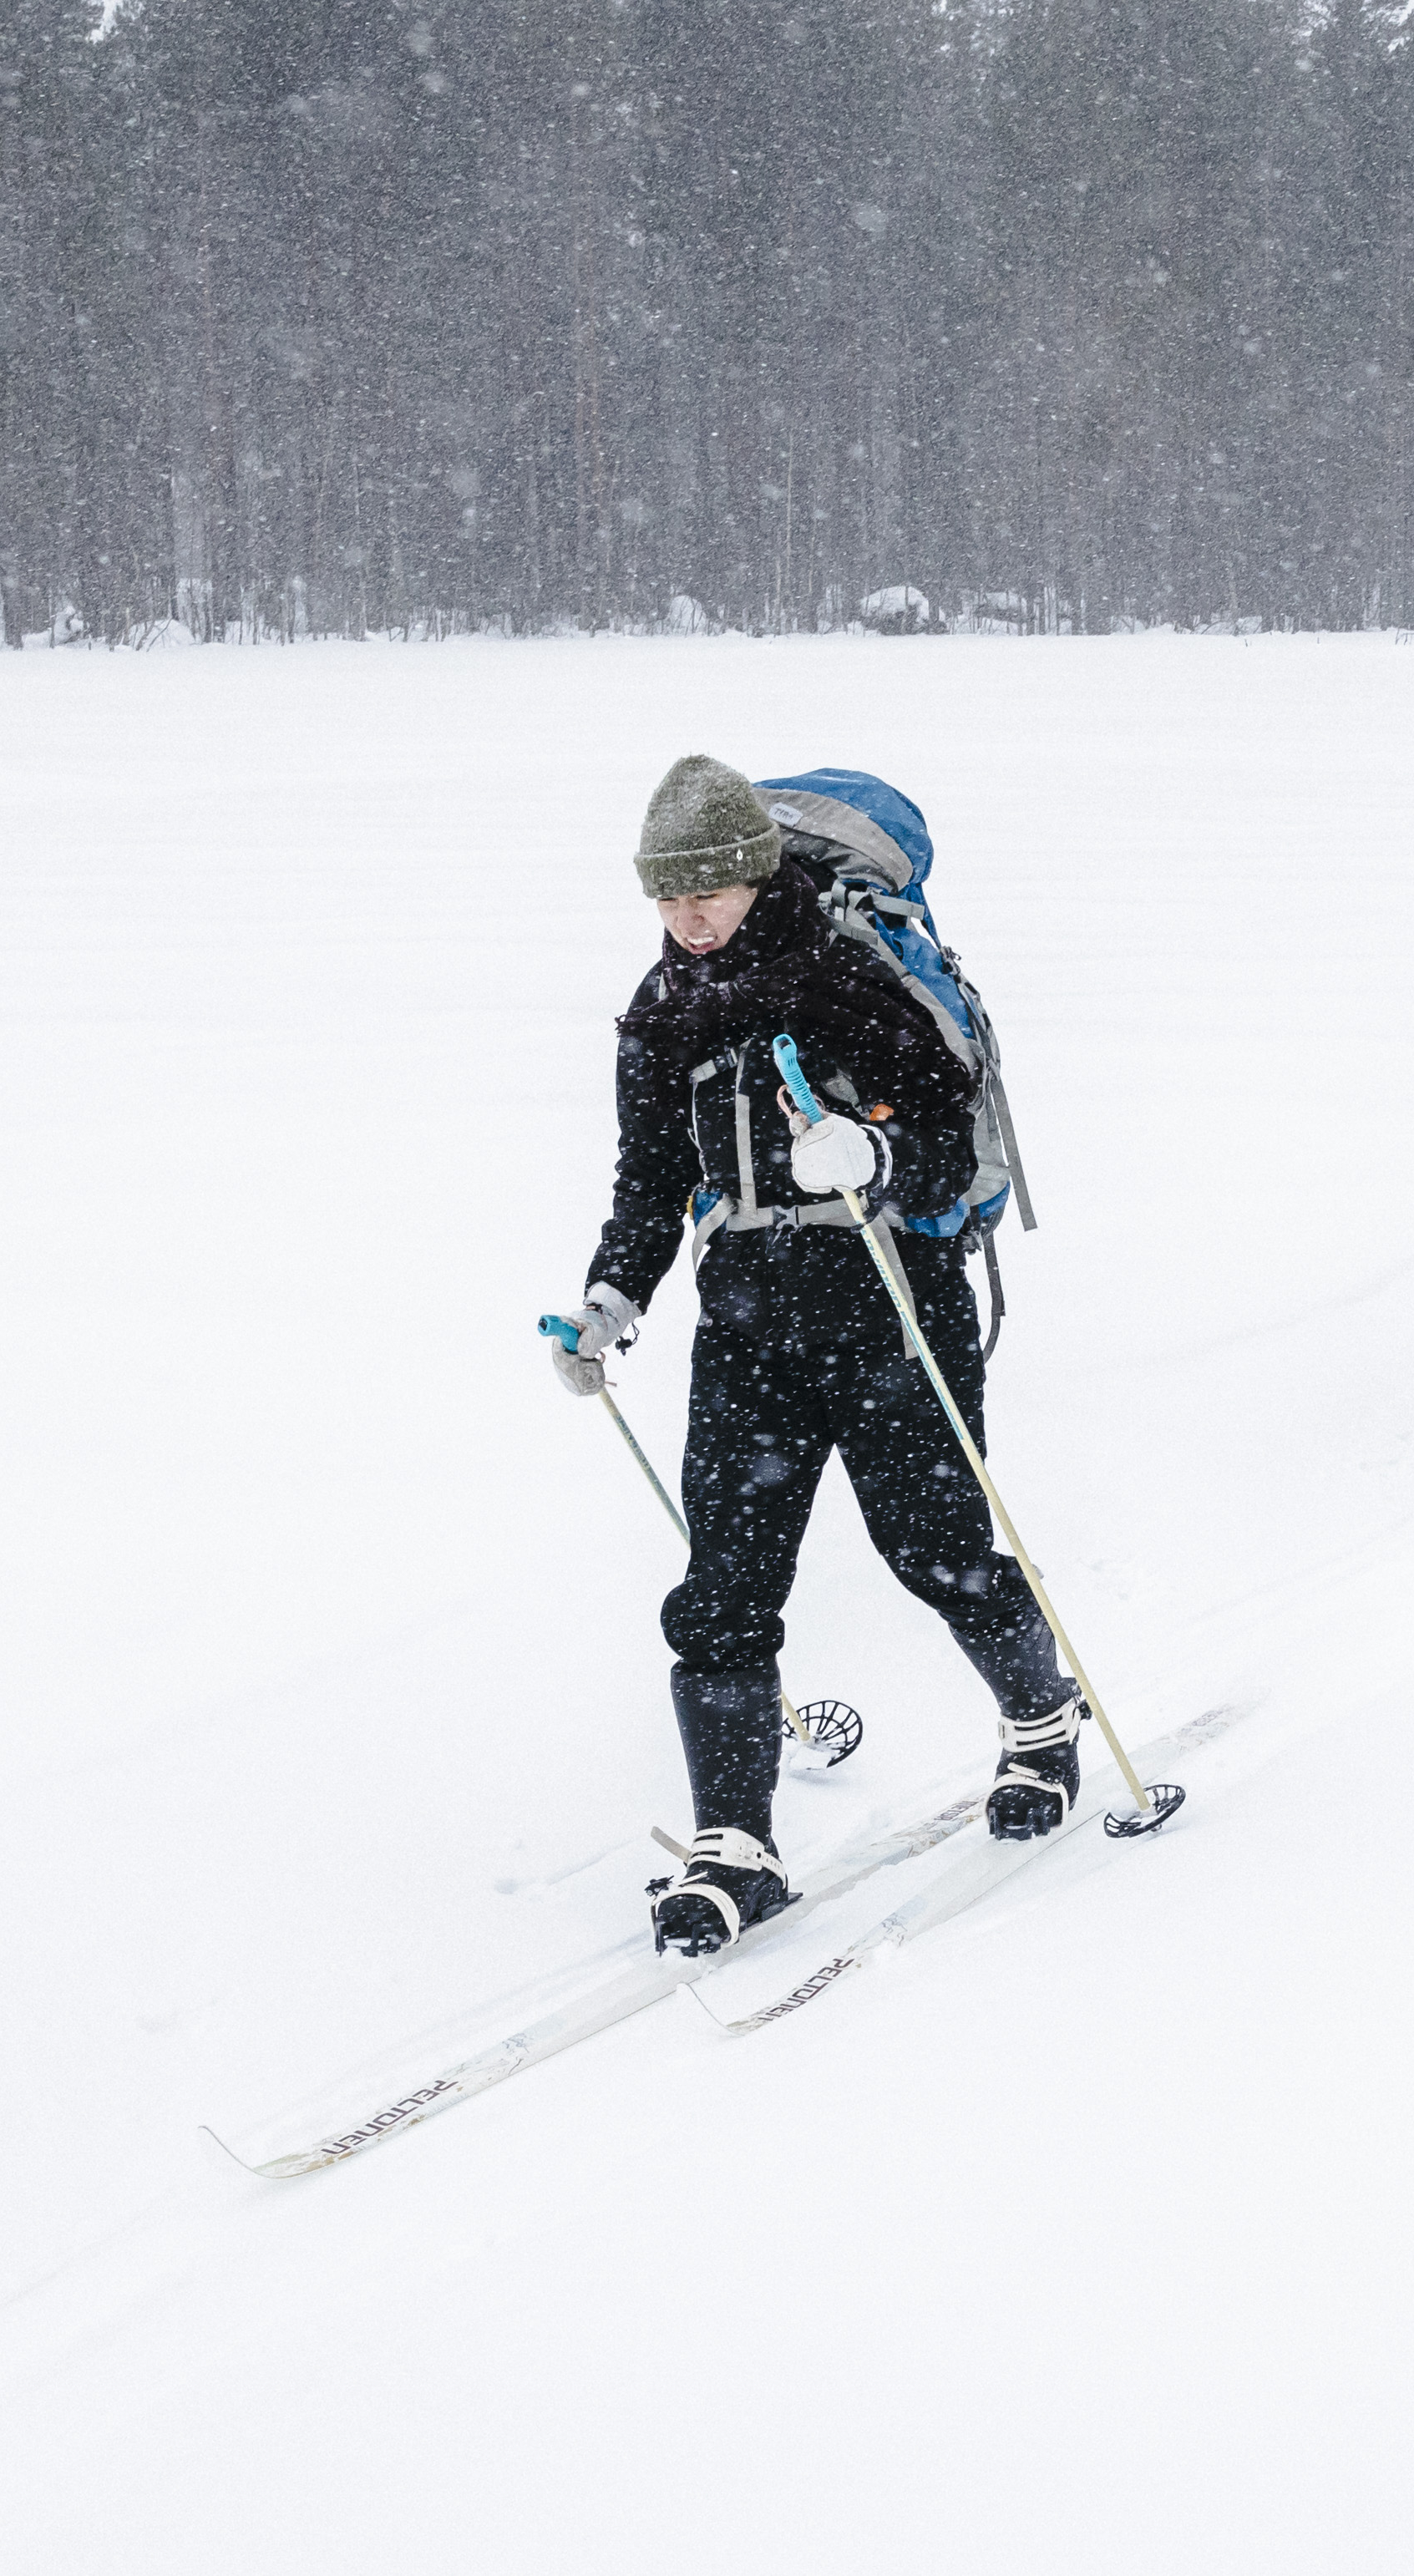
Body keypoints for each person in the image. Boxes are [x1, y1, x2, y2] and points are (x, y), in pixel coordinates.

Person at [550, 755, 1084, 1958]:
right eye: (668, 900)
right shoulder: (663, 1006)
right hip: (747, 1322)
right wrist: (609, 1297)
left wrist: (881, 1163)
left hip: (893, 1303)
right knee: (723, 1592)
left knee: (936, 1549)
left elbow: (950, 1138)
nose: (688, 921)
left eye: (709, 894)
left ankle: (1041, 1720)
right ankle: (734, 1846)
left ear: (756, 873)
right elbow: (651, 1183)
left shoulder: (851, 972)